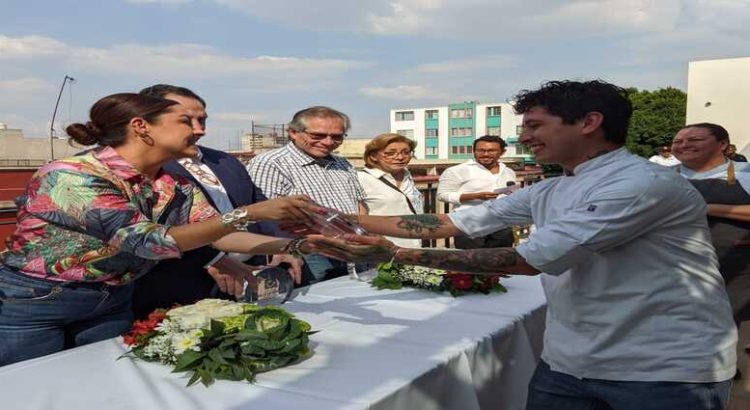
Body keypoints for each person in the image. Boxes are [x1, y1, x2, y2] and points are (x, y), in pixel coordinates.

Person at [307, 80, 736, 409]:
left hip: (661, 370)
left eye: (534, 126)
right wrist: (346, 218)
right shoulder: (552, 188)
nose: (524, 139)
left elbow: (526, 260)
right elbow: (446, 219)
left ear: (589, 123)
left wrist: (396, 255)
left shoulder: (640, 183)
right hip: (568, 362)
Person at [0, 93, 315, 366]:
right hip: (37, 302)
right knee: (34, 387)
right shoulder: (72, 176)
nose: (198, 131)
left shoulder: (172, 183)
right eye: (185, 121)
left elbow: (218, 234)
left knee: (102, 381)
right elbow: (147, 242)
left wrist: (298, 247)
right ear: (141, 127)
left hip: (112, 298)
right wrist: (250, 212)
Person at [131, 84, 300, 319]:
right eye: (186, 121)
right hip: (180, 286)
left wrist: (281, 244)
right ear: (144, 123)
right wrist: (214, 259)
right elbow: (147, 237)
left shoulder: (224, 161)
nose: (199, 130)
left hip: (247, 275)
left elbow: (231, 218)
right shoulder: (132, 171)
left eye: (202, 120)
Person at [248, 106, 367, 286]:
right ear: (293, 132)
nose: (328, 142)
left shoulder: (343, 163)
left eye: (337, 136)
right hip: (308, 253)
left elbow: (359, 204)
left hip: (351, 249)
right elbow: (264, 216)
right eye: (318, 136)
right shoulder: (271, 163)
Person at [672, 123, 750, 326]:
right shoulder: (660, 176)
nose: (684, 145)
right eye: (677, 141)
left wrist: (706, 208)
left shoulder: (745, 173)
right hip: (677, 267)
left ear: (722, 144)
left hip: (738, 269)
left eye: (694, 140)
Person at [437, 135, 516, 248]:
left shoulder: (508, 171)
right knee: (471, 261)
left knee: (500, 261)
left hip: (502, 224)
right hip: (469, 223)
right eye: (481, 150)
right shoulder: (457, 170)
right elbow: (442, 195)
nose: (485, 154)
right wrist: (475, 196)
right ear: (474, 151)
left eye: (491, 150)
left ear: (502, 152)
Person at [358, 133, 423, 248]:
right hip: (383, 250)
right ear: (373, 156)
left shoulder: (407, 175)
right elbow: (359, 219)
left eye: (406, 152)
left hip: (413, 246)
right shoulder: (361, 178)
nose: (400, 157)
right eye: (390, 153)